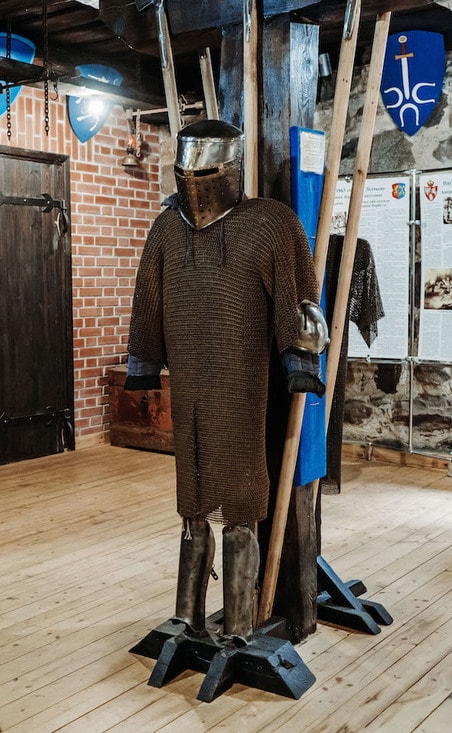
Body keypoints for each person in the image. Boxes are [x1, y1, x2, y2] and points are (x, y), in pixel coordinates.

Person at [125, 120, 326, 643]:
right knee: (192, 501)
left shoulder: (268, 224)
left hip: (241, 383)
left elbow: (299, 300)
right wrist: (143, 366)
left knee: (241, 500)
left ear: (232, 169)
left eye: (207, 173)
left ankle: (239, 624)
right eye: (187, 173)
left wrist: (300, 361)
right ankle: (186, 615)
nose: (196, 185)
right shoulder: (167, 228)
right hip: (191, 381)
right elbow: (147, 303)